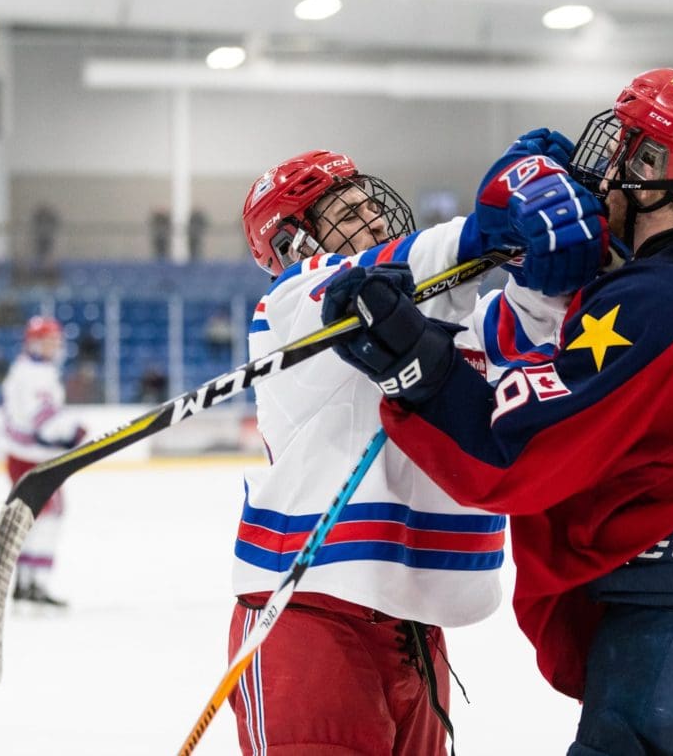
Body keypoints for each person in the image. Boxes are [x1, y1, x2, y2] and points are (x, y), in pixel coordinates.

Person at [324, 68, 673, 755]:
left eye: (629, 148)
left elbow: (515, 452)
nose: (604, 168)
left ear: (661, 172)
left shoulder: (653, 300)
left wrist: (417, 365)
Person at [228, 147, 606, 755]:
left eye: (373, 205)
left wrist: (549, 274)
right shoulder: (291, 311)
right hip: (310, 620)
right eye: (351, 211)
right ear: (293, 243)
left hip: (414, 634)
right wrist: (481, 234)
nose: (376, 220)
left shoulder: (426, 310)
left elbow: (520, 332)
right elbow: (369, 283)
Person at [1, 316, 86, 607]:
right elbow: (44, 421)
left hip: (24, 457)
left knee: (33, 520)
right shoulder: (35, 375)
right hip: (32, 460)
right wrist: (71, 433)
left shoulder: (27, 370)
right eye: (49, 340)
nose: (55, 346)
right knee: (47, 519)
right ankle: (34, 584)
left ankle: (25, 582)